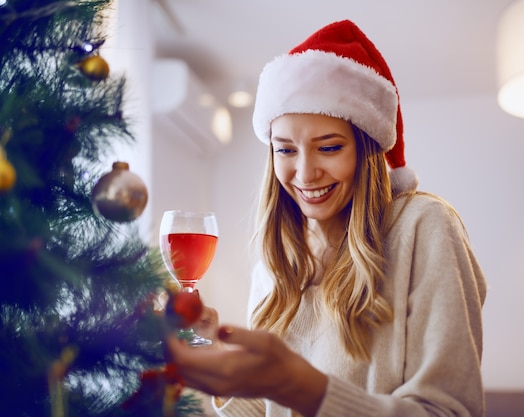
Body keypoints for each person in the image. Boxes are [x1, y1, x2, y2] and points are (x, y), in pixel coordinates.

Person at [166, 19, 487, 417]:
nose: (305, 173)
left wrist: (305, 388)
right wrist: (221, 367)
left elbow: (450, 411)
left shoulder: (423, 227)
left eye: (329, 147)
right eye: (285, 150)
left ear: (366, 150)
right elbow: (270, 407)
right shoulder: (277, 256)